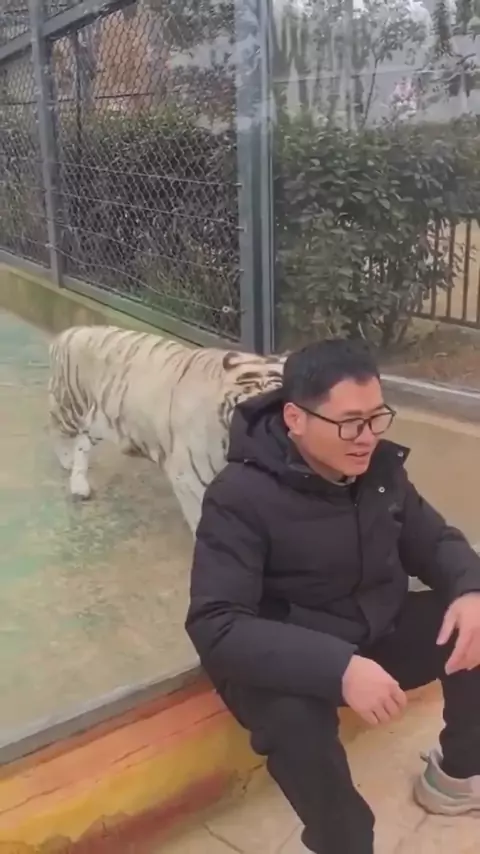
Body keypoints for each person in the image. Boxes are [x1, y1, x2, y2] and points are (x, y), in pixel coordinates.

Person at [185, 339, 480, 854]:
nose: (368, 438)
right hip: (285, 657)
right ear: (295, 419)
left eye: (376, 418)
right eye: (350, 423)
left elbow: (434, 542)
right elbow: (216, 624)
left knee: (473, 622)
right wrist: (337, 667)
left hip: (372, 629)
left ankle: (456, 777)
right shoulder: (238, 495)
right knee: (299, 733)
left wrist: (470, 590)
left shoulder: (379, 472)